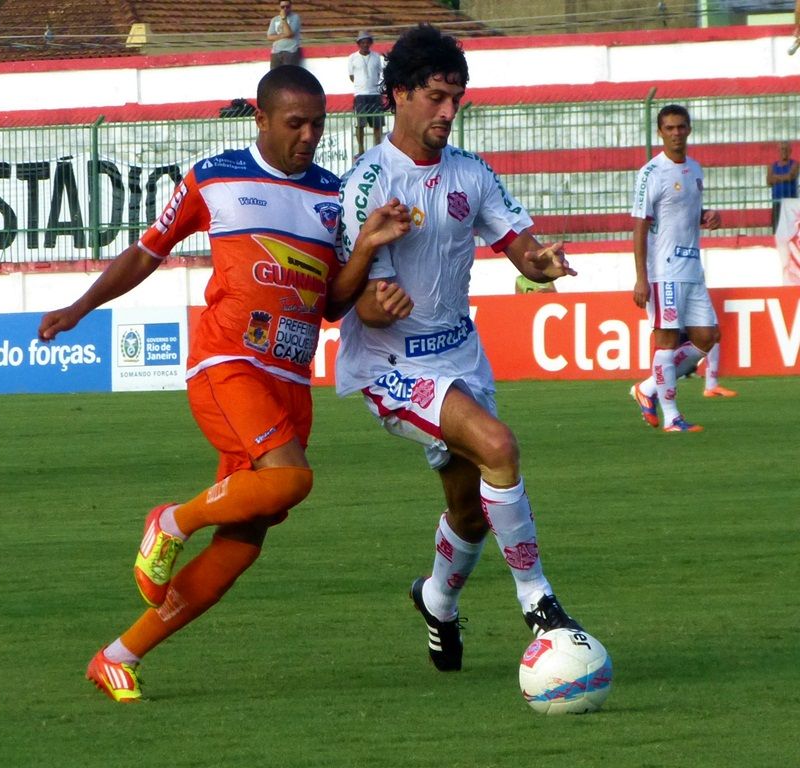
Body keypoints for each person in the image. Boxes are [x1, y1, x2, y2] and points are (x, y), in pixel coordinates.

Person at [37, 65, 408, 702]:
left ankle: (118, 655)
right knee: (292, 477)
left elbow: (330, 305)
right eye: (295, 123)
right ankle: (171, 521)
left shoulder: (335, 195)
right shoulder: (214, 177)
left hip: (289, 377)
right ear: (260, 119)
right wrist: (79, 308)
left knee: (244, 543)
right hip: (227, 364)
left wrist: (368, 245)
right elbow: (145, 251)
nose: (309, 136)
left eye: (318, 123)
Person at [334, 24, 583, 674]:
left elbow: (519, 245)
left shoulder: (471, 173)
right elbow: (355, 296)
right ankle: (539, 601)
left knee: (470, 514)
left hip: (460, 360)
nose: (449, 111)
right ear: (399, 95)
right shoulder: (366, 182)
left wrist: (543, 260)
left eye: (457, 98)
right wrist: (372, 300)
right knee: (499, 446)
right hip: (392, 366)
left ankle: (438, 599)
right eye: (438, 97)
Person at [629, 104, 738, 435]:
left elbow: (689, 209)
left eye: (681, 127)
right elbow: (639, 226)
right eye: (669, 128)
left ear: (689, 130)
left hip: (693, 267)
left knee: (708, 337)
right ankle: (672, 416)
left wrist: (708, 215)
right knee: (666, 341)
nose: (676, 132)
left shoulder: (695, 168)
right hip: (664, 271)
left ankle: (647, 388)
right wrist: (641, 278)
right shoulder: (651, 172)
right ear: (660, 132)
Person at [348, 31, 384, 155]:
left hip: (375, 94)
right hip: (360, 95)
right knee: (360, 125)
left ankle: (378, 149)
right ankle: (361, 149)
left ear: (370, 43)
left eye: (367, 42)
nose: (365, 44)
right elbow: (351, 76)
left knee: (377, 124)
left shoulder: (376, 56)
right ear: (359, 44)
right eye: (362, 42)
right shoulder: (352, 57)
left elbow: (380, 73)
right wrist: (361, 85)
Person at [767, 141, 798, 233]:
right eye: (782, 149)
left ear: (790, 151)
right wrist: (784, 176)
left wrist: (775, 177)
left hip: (791, 202)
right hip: (777, 202)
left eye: (786, 149)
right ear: (778, 151)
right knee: (777, 230)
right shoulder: (772, 166)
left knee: (792, 231)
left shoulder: (795, 164)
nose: (784, 151)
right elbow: (769, 181)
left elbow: (790, 177)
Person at [266, 0, 301, 68]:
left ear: (290, 7)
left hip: (290, 51)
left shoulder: (295, 17)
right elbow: (269, 37)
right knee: (274, 74)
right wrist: (283, 35)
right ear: (279, 7)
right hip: (276, 52)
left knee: (289, 74)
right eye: (283, 7)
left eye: (287, 7)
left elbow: (289, 34)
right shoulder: (274, 19)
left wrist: (283, 18)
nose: (285, 9)